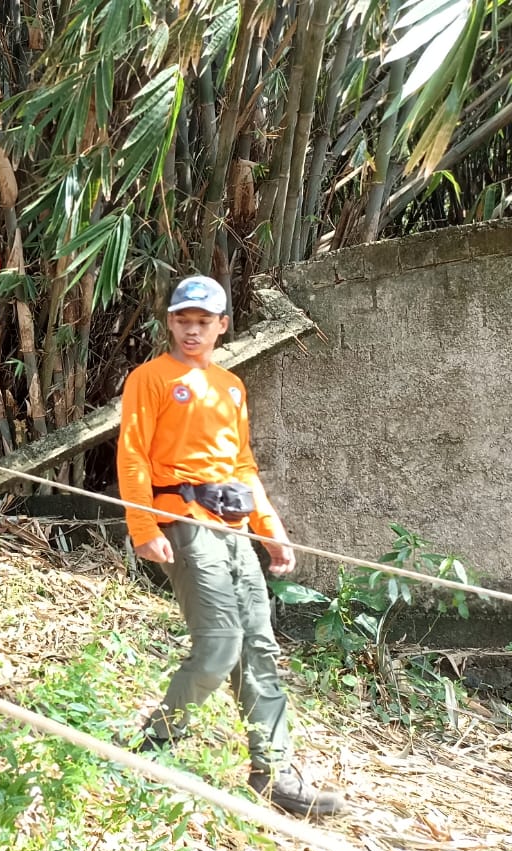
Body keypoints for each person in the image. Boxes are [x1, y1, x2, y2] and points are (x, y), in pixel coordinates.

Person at [116, 274, 345, 818]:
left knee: (259, 648)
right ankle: (153, 749)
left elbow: (242, 467)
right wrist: (144, 528)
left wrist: (272, 531)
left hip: (234, 527)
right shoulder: (150, 378)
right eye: (182, 320)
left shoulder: (231, 386)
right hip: (184, 522)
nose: (192, 330)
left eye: (204, 322)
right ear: (170, 322)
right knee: (219, 645)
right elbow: (133, 456)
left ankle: (275, 771)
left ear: (222, 326)